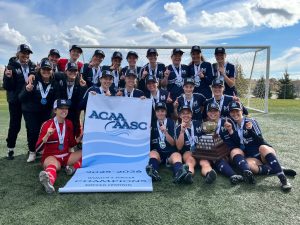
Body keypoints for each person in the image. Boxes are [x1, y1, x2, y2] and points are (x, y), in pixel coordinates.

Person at [225, 101, 292, 191]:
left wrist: (250, 131)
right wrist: (230, 132)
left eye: (237, 111)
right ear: (229, 113)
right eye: (232, 111)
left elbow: (260, 140)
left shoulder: (251, 121)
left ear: (242, 111)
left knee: (262, 147)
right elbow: (239, 142)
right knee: (249, 166)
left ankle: (283, 180)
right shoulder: (234, 126)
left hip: (263, 153)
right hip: (253, 157)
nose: (235, 113)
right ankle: (276, 168)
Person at [36, 99, 82, 194]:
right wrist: (46, 136)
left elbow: (71, 144)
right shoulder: (47, 124)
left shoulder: (69, 123)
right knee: (53, 165)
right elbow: (37, 149)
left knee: (87, 153)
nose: (64, 111)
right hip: (51, 157)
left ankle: (72, 168)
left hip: (66, 156)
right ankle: (49, 182)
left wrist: (81, 136)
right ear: (55, 110)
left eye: (66, 108)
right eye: (61, 108)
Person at [19, 59, 60, 163]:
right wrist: (27, 90)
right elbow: (21, 97)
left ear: (52, 70)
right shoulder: (33, 79)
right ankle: (32, 152)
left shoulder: (54, 83)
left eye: (48, 69)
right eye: (44, 69)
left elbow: (56, 99)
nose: (46, 71)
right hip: (31, 111)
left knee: (45, 132)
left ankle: (41, 150)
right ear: (40, 70)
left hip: (45, 112)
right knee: (33, 131)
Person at [2, 44, 36, 160]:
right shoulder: (11, 66)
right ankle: (10, 149)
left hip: (28, 101)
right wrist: (8, 77)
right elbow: (7, 86)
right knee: (15, 125)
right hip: (15, 101)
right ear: (18, 54)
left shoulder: (32, 65)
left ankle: (31, 149)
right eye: (23, 53)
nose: (25, 55)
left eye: (27, 53)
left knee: (30, 126)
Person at [146, 102, 190, 183]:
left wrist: (165, 132)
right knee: (152, 153)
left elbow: (173, 143)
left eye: (162, 111)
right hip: (158, 152)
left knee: (177, 155)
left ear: (166, 112)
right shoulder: (151, 123)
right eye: (158, 111)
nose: (160, 113)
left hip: (170, 152)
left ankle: (178, 173)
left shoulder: (171, 122)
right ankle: (153, 172)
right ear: (155, 112)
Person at [175, 105, 217, 184]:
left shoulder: (199, 123)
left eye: (188, 113)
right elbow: (179, 147)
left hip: (201, 150)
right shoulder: (178, 128)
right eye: (183, 113)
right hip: (188, 151)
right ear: (180, 115)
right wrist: (182, 132)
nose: (186, 115)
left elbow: (210, 135)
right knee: (190, 161)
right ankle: (188, 175)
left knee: (205, 162)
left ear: (191, 114)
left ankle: (209, 174)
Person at [205, 102, 244, 184]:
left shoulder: (228, 121)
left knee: (235, 151)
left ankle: (246, 171)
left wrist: (230, 130)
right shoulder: (206, 126)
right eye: (210, 111)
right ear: (207, 113)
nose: (213, 113)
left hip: (233, 153)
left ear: (219, 112)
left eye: (215, 111)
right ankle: (233, 175)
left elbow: (237, 141)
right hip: (221, 154)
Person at [58, 62, 87, 138]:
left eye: (75, 71)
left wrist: (83, 87)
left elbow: (82, 98)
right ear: (66, 71)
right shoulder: (60, 80)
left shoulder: (81, 82)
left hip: (74, 110)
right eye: (70, 70)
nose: (73, 73)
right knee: (60, 126)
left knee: (74, 126)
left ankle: (73, 144)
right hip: (62, 109)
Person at [162, 49, 190, 119]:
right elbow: (163, 85)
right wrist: (165, 77)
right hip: (171, 99)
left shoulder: (186, 68)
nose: (177, 57)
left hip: (184, 98)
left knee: (184, 119)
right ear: (171, 57)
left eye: (179, 56)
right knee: (172, 119)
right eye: (175, 55)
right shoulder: (166, 68)